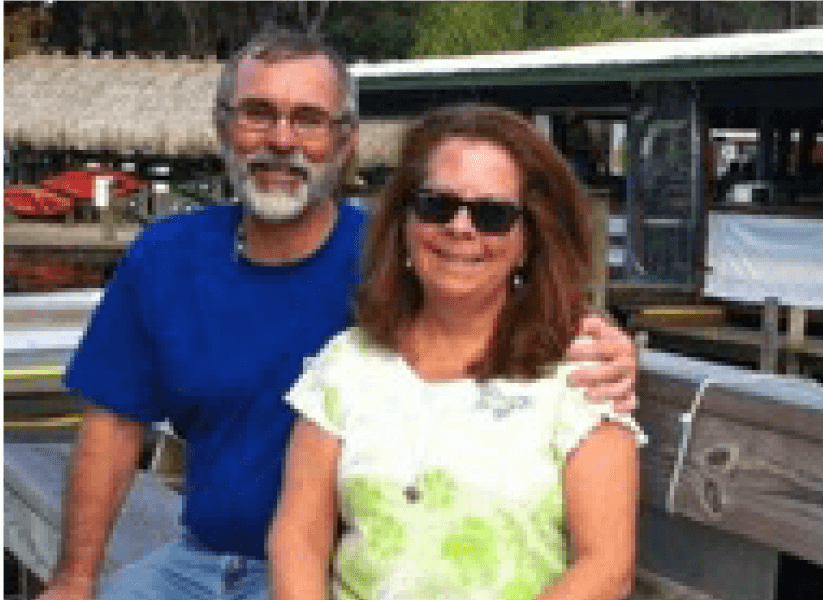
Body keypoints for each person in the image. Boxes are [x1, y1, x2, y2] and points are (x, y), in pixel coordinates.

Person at [47, 31, 635, 600]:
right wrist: (75, 580)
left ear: (346, 140)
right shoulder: (167, 257)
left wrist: (608, 345)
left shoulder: (399, 264)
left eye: (308, 119)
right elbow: (113, 423)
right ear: (224, 127)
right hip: (200, 557)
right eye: (258, 113)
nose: (282, 139)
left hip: (331, 571)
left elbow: (505, 301)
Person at [270, 105, 642, 599]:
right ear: (404, 222)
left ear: (529, 240)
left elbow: (606, 568)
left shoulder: (583, 375)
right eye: (437, 206)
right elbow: (299, 537)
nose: (461, 228)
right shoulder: (346, 365)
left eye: (493, 215)